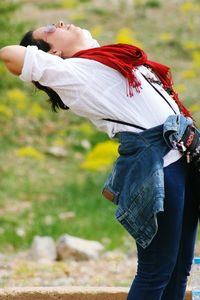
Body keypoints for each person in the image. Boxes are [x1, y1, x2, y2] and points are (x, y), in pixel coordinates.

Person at [0, 21, 199, 300]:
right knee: (156, 271)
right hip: (157, 166)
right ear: (52, 53)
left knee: (178, 269)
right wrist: (44, 59)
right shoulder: (72, 74)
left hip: (183, 157)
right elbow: (9, 54)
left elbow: (84, 42)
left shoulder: (99, 57)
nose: (57, 23)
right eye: (47, 29)